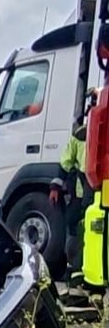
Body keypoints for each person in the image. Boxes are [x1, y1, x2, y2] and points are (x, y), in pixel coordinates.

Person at [51, 88, 97, 288]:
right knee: (77, 228)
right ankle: (77, 270)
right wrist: (56, 186)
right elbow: (65, 163)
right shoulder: (80, 135)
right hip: (82, 192)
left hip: (95, 191)